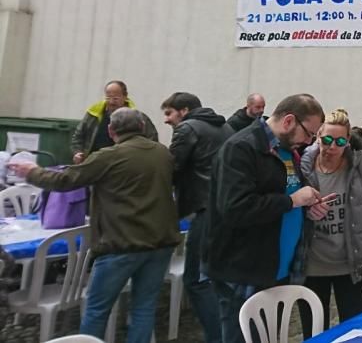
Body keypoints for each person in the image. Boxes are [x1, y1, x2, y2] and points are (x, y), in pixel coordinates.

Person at [9, 108, 180, 342]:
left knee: (97, 308)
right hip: (161, 242)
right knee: (144, 308)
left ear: (110, 131)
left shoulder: (108, 156)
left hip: (121, 244)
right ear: (142, 127)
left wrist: (32, 172)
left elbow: (66, 180)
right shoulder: (163, 153)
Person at [205, 94, 326, 343]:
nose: (309, 141)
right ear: (289, 121)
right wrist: (293, 201)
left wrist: (308, 208)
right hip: (244, 269)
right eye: (309, 133)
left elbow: (288, 196)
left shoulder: (287, 151)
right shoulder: (241, 148)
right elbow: (235, 208)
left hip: (277, 267)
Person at [297, 109, 362, 336]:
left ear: (347, 142)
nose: (332, 146)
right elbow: (289, 209)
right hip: (312, 264)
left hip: (354, 262)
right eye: (327, 139)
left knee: (357, 330)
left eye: (340, 141)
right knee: (314, 334)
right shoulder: (302, 167)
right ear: (318, 137)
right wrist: (306, 212)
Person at [161, 92, 231, 343]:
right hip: (226, 209)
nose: (167, 120)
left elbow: (170, 167)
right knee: (218, 279)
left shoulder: (187, 128)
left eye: (169, 113)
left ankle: (218, 337)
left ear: (184, 110)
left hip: (205, 209)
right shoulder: (225, 127)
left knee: (196, 280)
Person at [71, 80, 158, 162]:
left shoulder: (138, 117)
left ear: (125, 97)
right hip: (95, 163)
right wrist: (78, 152)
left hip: (124, 164)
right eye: (108, 98)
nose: (111, 102)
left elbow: (152, 140)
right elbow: (78, 136)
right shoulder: (93, 114)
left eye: (116, 98)